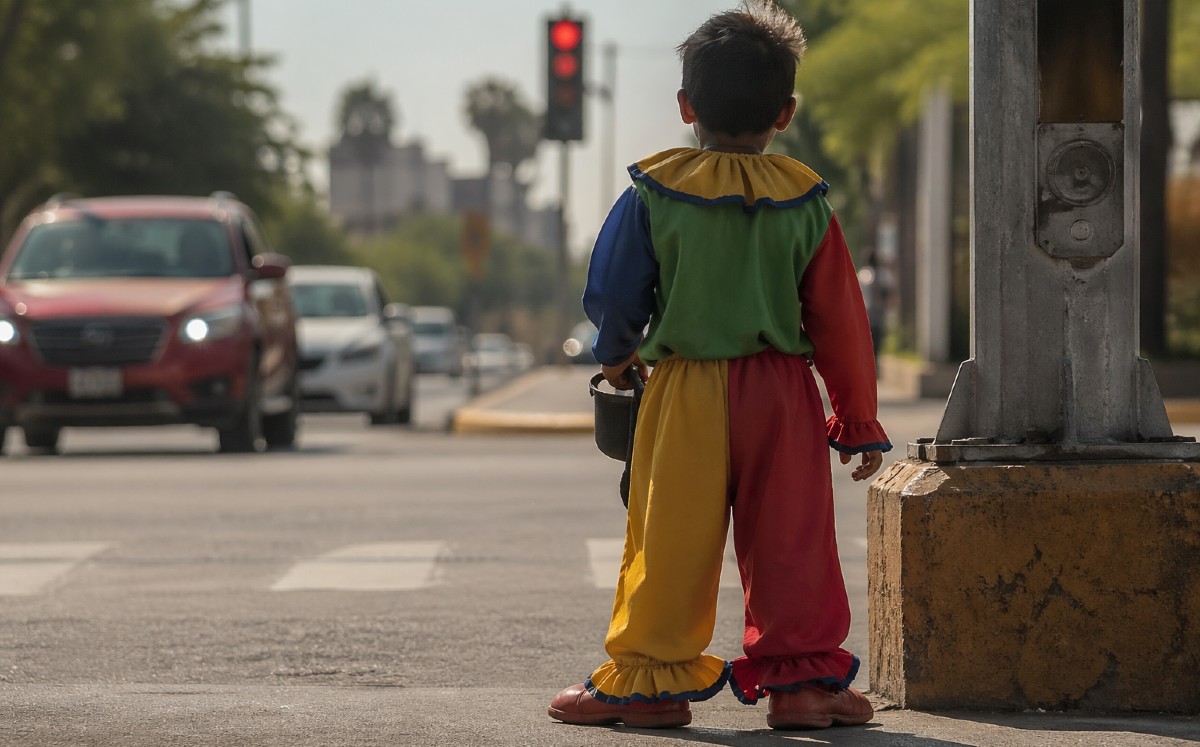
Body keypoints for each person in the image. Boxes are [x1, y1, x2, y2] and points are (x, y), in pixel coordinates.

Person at [547, 0, 891, 732]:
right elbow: (840, 321)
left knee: (668, 538)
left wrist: (616, 359)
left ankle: (650, 684)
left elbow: (611, 291)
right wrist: (856, 420)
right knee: (792, 541)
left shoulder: (653, 190)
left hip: (684, 392)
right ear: (786, 112)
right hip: (783, 394)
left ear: (684, 105)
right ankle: (801, 687)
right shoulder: (808, 202)